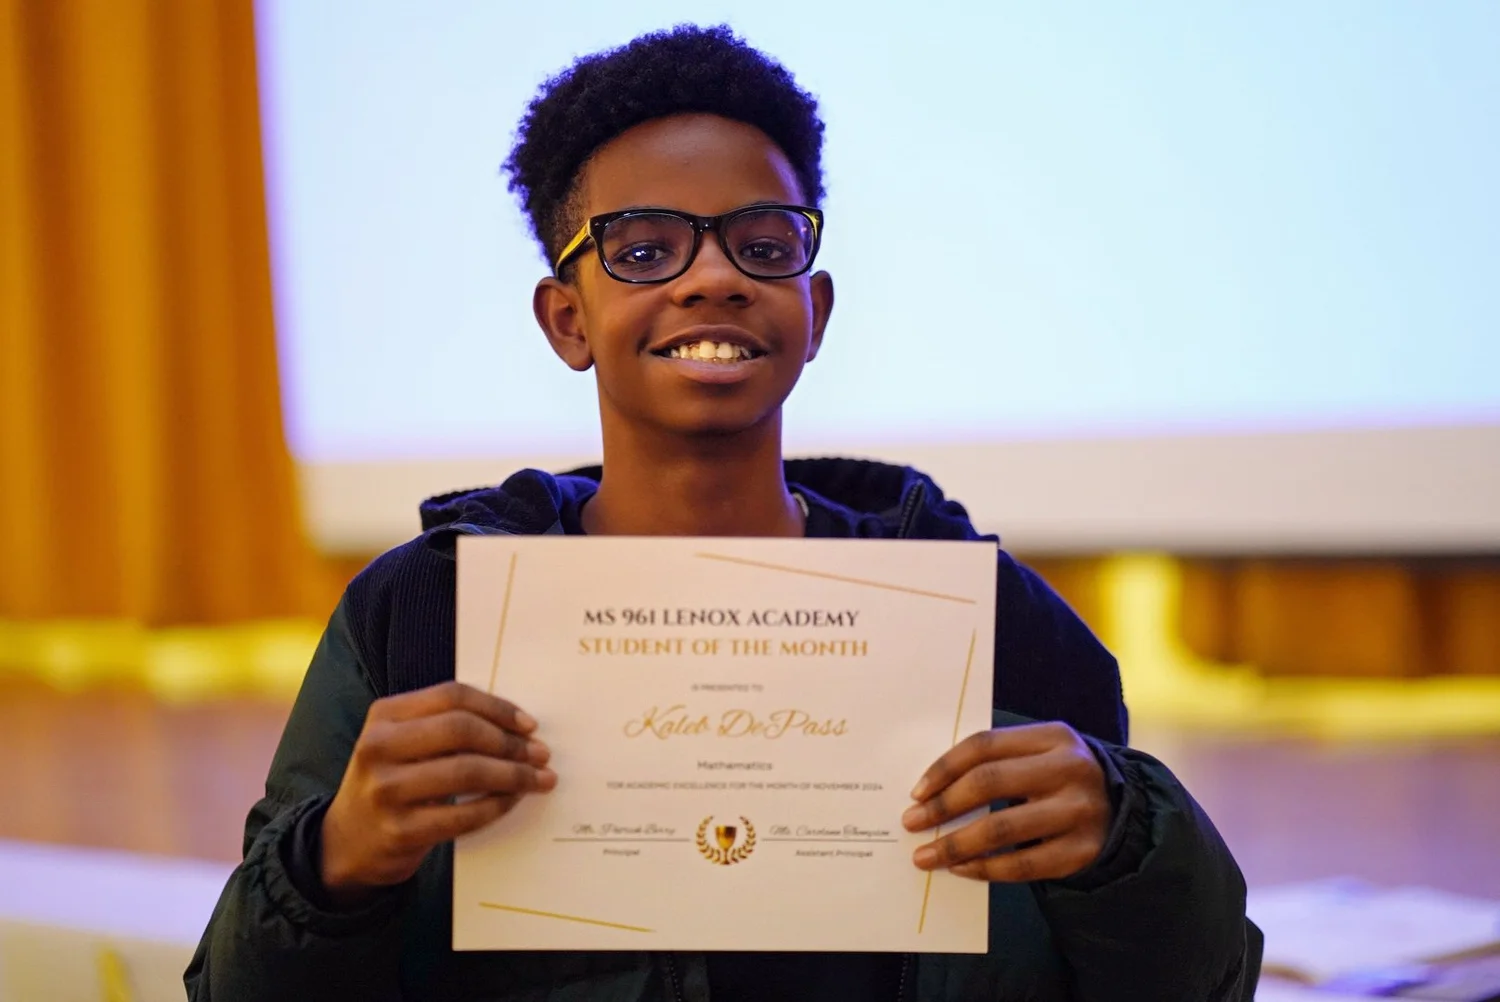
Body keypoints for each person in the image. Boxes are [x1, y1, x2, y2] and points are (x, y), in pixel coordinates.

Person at [186, 24, 1260, 1001]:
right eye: (646, 250)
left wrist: (1126, 841)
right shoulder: (425, 615)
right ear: (568, 319)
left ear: (814, 306)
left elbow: (1196, 986)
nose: (713, 279)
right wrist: (334, 860)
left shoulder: (986, 616)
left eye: (762, 241)